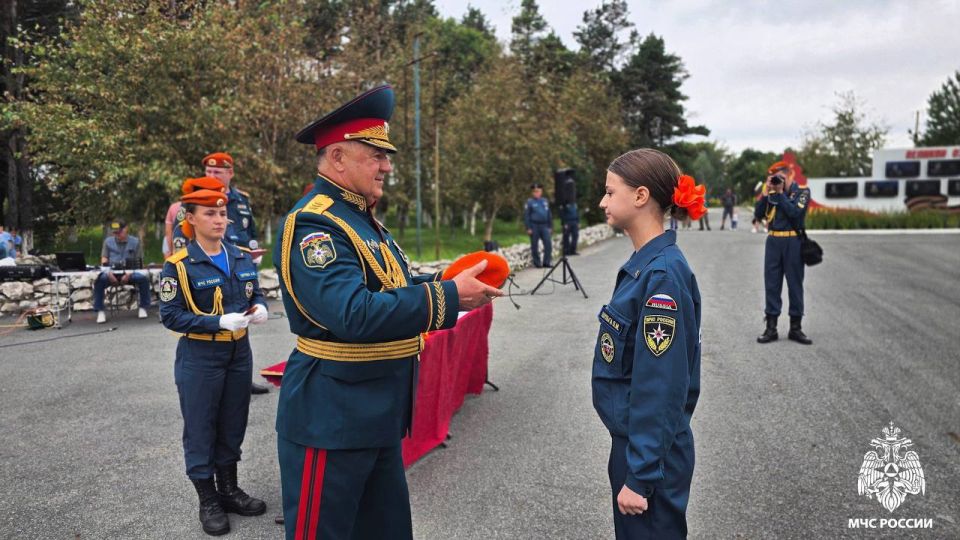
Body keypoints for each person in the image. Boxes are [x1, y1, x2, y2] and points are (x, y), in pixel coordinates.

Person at [274, 84, 503, 540]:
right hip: (332, 418)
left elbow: (392, 287)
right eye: (375, 154)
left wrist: (451, 286)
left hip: (377, 413)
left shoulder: (363, 218)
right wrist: (448, 299)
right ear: (337, 157)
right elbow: (352, 313)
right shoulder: (316, 223)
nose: (387, 165)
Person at [594, 148, 703, 540]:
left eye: (610, 192)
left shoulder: (662, 277)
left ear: (641, 196)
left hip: (649, 456)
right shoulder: (646, 266)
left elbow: (660, 386)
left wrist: (640, 476)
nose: (602, 201)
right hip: (638, 447)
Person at [159, 177, 269, 536]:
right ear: (190, 218)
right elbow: (170, 315)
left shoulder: (240, 256)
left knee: (233, 422)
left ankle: (230, 490)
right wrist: (216, 321)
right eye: (210, 214)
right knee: (201, 426)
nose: (219, 219)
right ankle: (208, 499)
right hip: (201, 354)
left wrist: (261, 306)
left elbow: (257, 290)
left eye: (222, 213)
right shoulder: (179, 265)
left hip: (239, 352)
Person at [754, 161, 812, 345]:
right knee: (771, 284)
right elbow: (758, 214)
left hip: (793, 241)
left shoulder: (802, 192)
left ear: (790, 175)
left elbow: (796, 213)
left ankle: (796, 328)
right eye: (774, 177)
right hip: (773, 241)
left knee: (795, 284)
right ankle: (771, 327)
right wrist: (766, 194)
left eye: (781, 177)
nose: (778, 181)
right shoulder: (771, 193)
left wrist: (780, 195)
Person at [93, 220, 151, 324]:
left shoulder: (135, 242)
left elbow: (139, 262)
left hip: (130, 271)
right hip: (112, 272)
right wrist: (108, 273)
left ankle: (143, 307)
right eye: (115, 233)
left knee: (143, 279)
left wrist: (129, 274)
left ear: (126, 229)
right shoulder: (108, 242)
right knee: (100, 280)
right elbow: (104, 259)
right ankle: (100, 311)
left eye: (119, 232)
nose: (117, 235)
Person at [524, 182, 553, 267]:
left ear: (541, 192)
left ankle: (546, 262)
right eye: (535, 191)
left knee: (548, 243)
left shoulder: (544, 201)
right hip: (534, 226)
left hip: (544, 225)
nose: (536, 193)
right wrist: (528, 227)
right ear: (532, 193)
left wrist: (550, 226)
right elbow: (527, 216)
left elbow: (549, 214)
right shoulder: (530, 202)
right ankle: (537, 263)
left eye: (538, 191)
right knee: (534, 245)